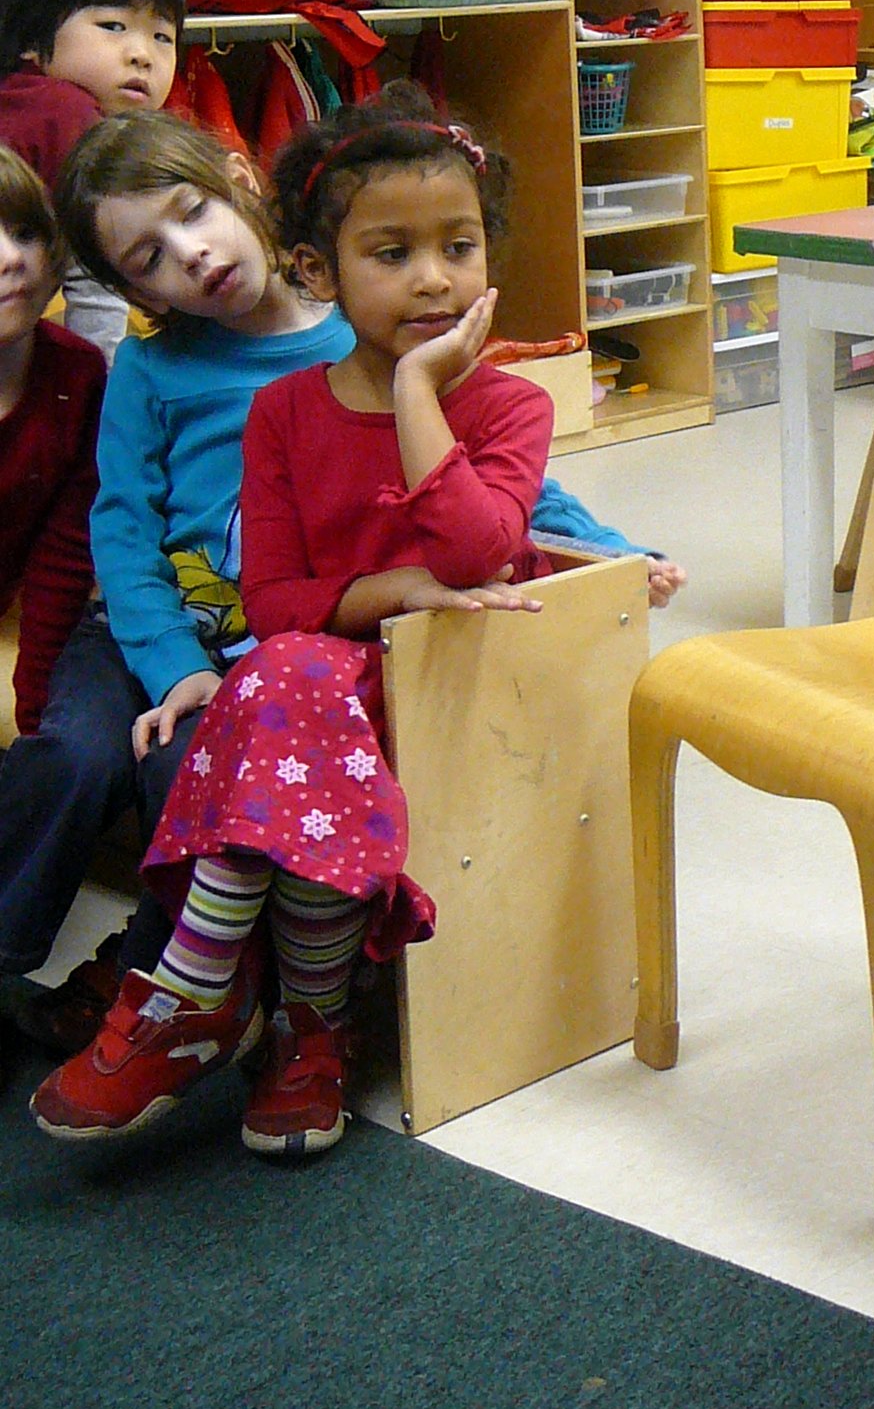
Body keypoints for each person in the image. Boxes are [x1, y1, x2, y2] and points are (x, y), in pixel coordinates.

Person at [30, 82, 556, 1158]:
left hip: (381, 666)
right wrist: (381, 591)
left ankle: (188, 991)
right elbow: (215, 577)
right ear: (323, 266)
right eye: (393, 254)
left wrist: (423, 398)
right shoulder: (247, 397)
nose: (432, 278)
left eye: (458, 248)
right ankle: (292, 1021)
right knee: (241, 698)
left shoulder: (475, 387)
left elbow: (495, 527)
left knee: (269, 694)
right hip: (258, 647)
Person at [1, 110, 353, 1057]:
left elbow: (484, 453)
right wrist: (171, 666)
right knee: (70, 756)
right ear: (130, 291)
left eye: (192, 213)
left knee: (182, 770)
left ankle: (150, 990)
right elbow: (120, 532)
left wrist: (605, 546)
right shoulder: (151, 370)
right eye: (149, 258)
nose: (190, 255)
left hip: (256, 656)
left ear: (239, 177)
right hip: (134, 636)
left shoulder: (355, 336)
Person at [0, 0, 182, 361]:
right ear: (31, 39)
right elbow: (93, 275)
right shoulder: (65, 111)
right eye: (114, 26)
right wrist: (103, 376)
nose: (142, 55)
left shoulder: (25, 101)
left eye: (162, 37)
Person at [0, 148, 104, 742]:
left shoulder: (76, 377)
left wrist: (35, 728)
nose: (11, 258)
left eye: (25, 233)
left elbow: (61, 563)